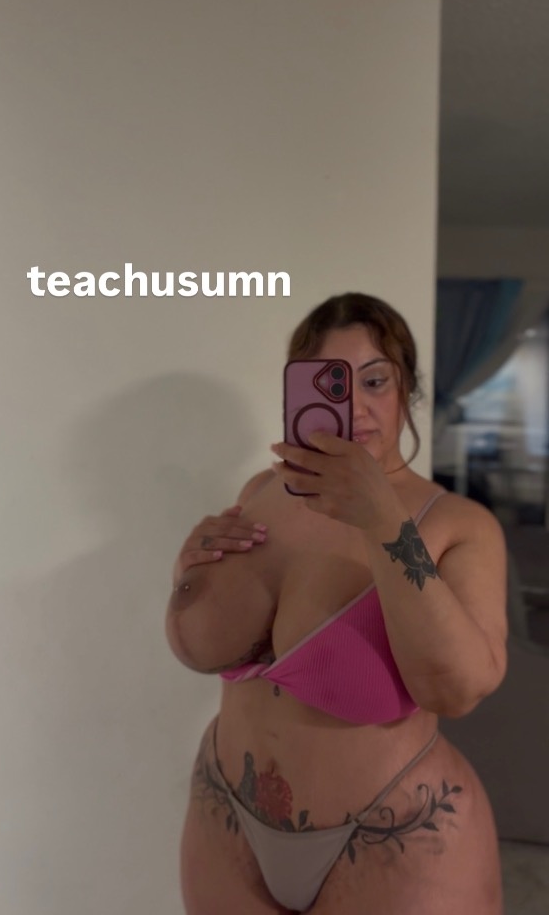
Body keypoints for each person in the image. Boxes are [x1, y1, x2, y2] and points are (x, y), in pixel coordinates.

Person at [165, 292, 507, 915]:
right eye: (329, 383)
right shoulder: (261, 490)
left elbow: (459, 690)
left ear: (408, 389)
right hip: (226, 820)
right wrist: (189, 570)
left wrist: (382, 519)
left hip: (395, 837)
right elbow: (203, 637)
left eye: (374, 381)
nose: (353, 407)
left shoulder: (458, 524)